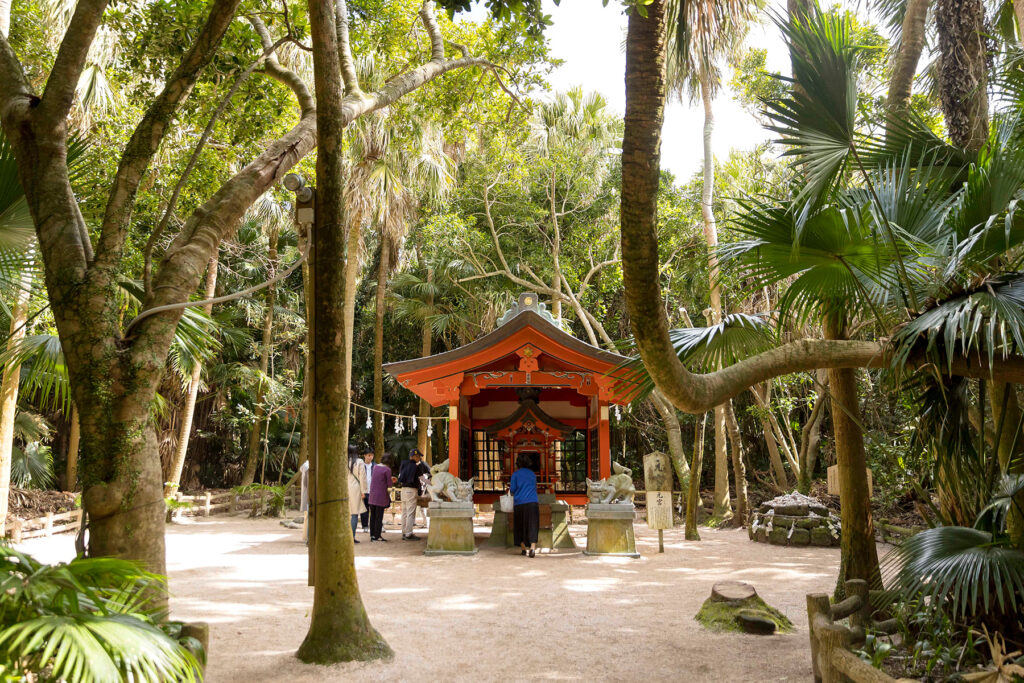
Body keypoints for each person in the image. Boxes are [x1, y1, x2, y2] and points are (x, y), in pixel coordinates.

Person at [510, 452, 540, 557]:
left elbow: (512, 489)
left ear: (517, 463)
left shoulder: (515, 474)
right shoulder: (532, 474)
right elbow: (534, 487)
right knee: (533, 525)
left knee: (519, 526)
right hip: (532, 502)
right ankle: (532, 548)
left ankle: (523, 549)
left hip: (519, 503)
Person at [397, 449, 428, 540]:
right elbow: (423, 479)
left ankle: (404, 532)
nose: (419, 459)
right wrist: (432, 483)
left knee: (404, 512)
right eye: (418, 456)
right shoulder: (416, 467)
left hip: (403, 490)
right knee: (411, 513)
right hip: (411, 491)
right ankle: (409, 534)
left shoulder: (403, 464)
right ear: (415, 456)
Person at [367, 453, 394, 541]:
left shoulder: (375, 467)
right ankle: (377, 535)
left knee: (373, 516)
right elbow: (389, 484)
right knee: (379, 516)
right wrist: (392, 480)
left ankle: (372, 535)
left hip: (372, 495)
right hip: (381, 496)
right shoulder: (387, 470)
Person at [347, 449, 367, 543]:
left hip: (344, 488)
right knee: (354, 514)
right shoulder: (359, 462)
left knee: (345, 514)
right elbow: (362, 477)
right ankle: (352, 537)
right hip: (355, 489)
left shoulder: (343, 460)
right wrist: (364, 491)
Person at [360, 449, 374, 532]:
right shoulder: (360, 466)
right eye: (368, 455)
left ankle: (373, 526)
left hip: (373, 491)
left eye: (372, 455)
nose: (370, 457)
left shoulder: (375, 466)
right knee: (364, 510)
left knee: (374, 510)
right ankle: (365, 526)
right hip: (364, 491)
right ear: (364, 455)